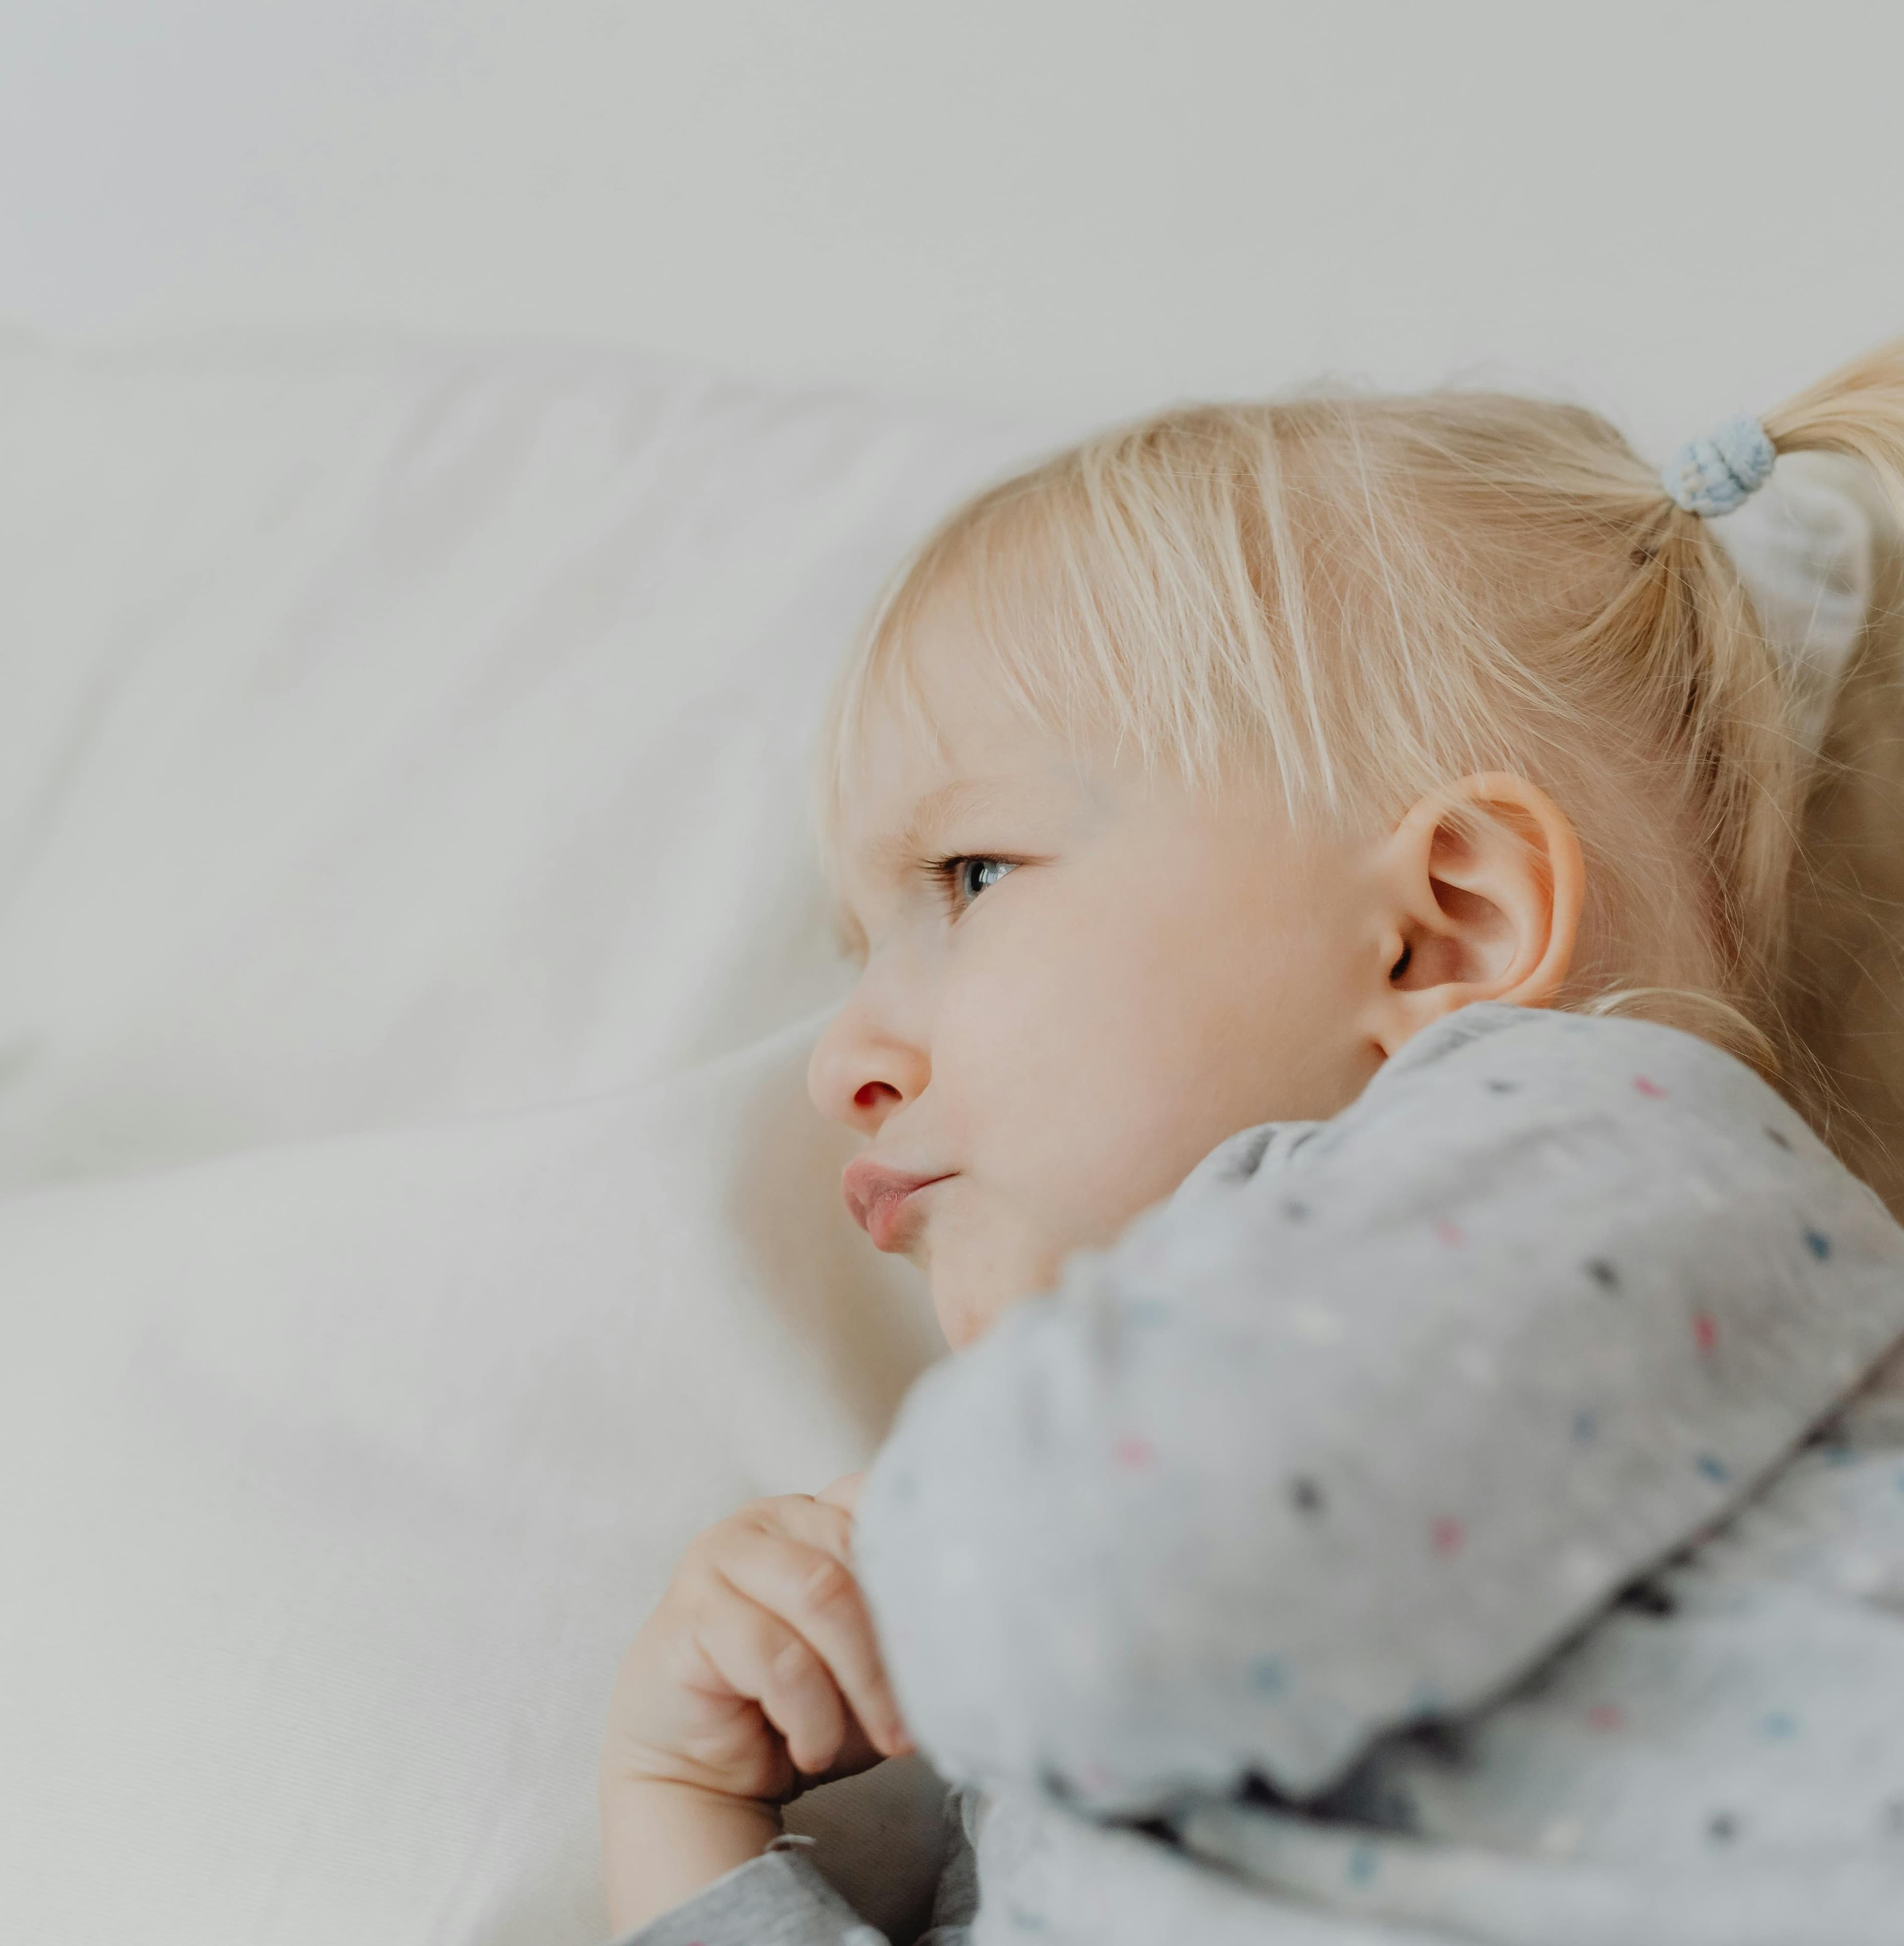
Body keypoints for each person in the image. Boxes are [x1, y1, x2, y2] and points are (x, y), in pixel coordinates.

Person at [599, 341, 1904, 1944]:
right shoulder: (1072, 1592)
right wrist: (685, 1819)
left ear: (1446, 933)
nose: (844, 1061)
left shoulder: (1606, 1141)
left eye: (973, 877)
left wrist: (905, 1542)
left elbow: (1094, 1596)